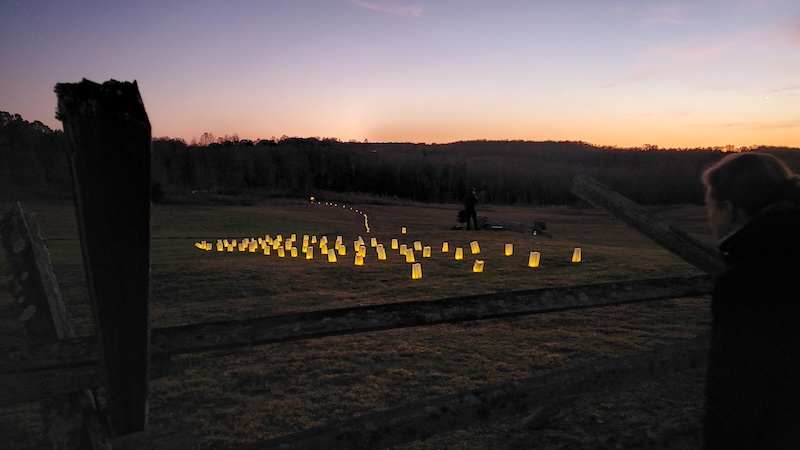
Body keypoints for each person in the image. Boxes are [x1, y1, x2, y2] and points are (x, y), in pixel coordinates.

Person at [701, 152, 800, 449]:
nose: (710, 219)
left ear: (730, 210)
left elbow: (738, 395)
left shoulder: (750, 282)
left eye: (710, 208)